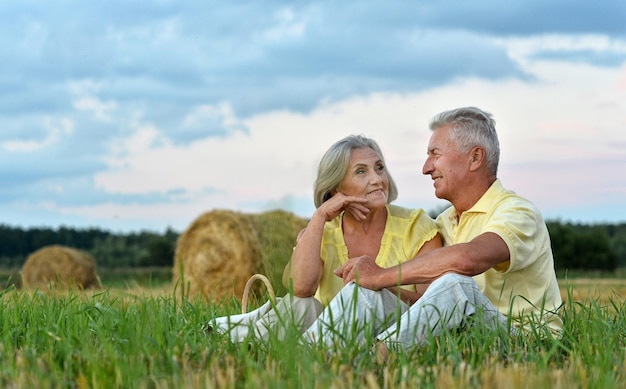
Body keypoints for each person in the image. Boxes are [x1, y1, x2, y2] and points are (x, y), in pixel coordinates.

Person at [303, 107, 563, 353]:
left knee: (455, 284)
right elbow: (431, 304)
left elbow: (466, 260)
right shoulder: (445, 222)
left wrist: (380, 276)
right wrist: (377, 290)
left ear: (475, 158)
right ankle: (309, 359)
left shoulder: (518, 213)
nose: (426, 168)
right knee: (368, 293)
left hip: (526, 343)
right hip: (461, 336)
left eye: (434, 154)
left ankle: (378, 358)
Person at [209, 134, 441, 342]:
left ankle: (299, 351)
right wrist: (319, 217)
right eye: (361, 171)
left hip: (395, 329)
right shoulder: (322, 232)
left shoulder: (416, 226)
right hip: (334, 333)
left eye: (379, 168)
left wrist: (378, 285)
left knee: (362, 293)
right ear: (335, 189)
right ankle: (239, 339)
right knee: (302, 305)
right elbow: (300, 289)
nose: (377, 179)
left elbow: (434, 306)